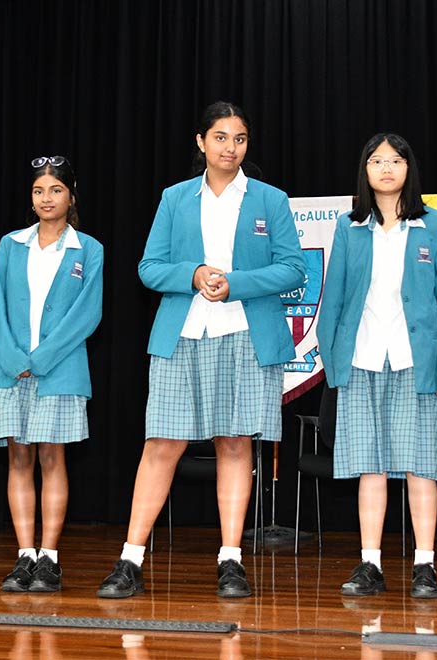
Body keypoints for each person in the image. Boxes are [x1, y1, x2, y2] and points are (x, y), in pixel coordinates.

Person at [96, 101, 305, 599]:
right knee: (161, 444)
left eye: (239, 139)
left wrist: (235, 283)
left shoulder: (270, 199)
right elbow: (149, 267)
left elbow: (294, 269)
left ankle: (231, 559)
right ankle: (130, 559)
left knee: (235, 443)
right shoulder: (175, 198)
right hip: (183, 333)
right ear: (201, 142)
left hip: (246, 334)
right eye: (220, 137)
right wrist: (191, 275)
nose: (230, 148)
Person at [316, 133, 437, 598]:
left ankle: (424, 565)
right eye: (376, 161)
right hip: (361, 361)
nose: (385, 168)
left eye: (395, 160)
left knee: (422, 467)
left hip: (417, 363)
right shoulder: (349, 227)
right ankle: (370, 564)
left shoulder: (436, 227)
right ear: (365, 170)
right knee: (370, 467)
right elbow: (333, 298)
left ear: (408, 168)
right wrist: (334, 365)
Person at [0, 156, 103, 593]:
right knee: (18, 457)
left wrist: (43, 357)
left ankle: (49, 557)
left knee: (52, 457)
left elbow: (87, 313)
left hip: (59, 370)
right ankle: (23, 554)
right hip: (8, 370)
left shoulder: (89, 249)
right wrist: (13, 357)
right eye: (38, 191)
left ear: (71, 196)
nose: (46, 198)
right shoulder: (10, 244)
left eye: (55, 190)